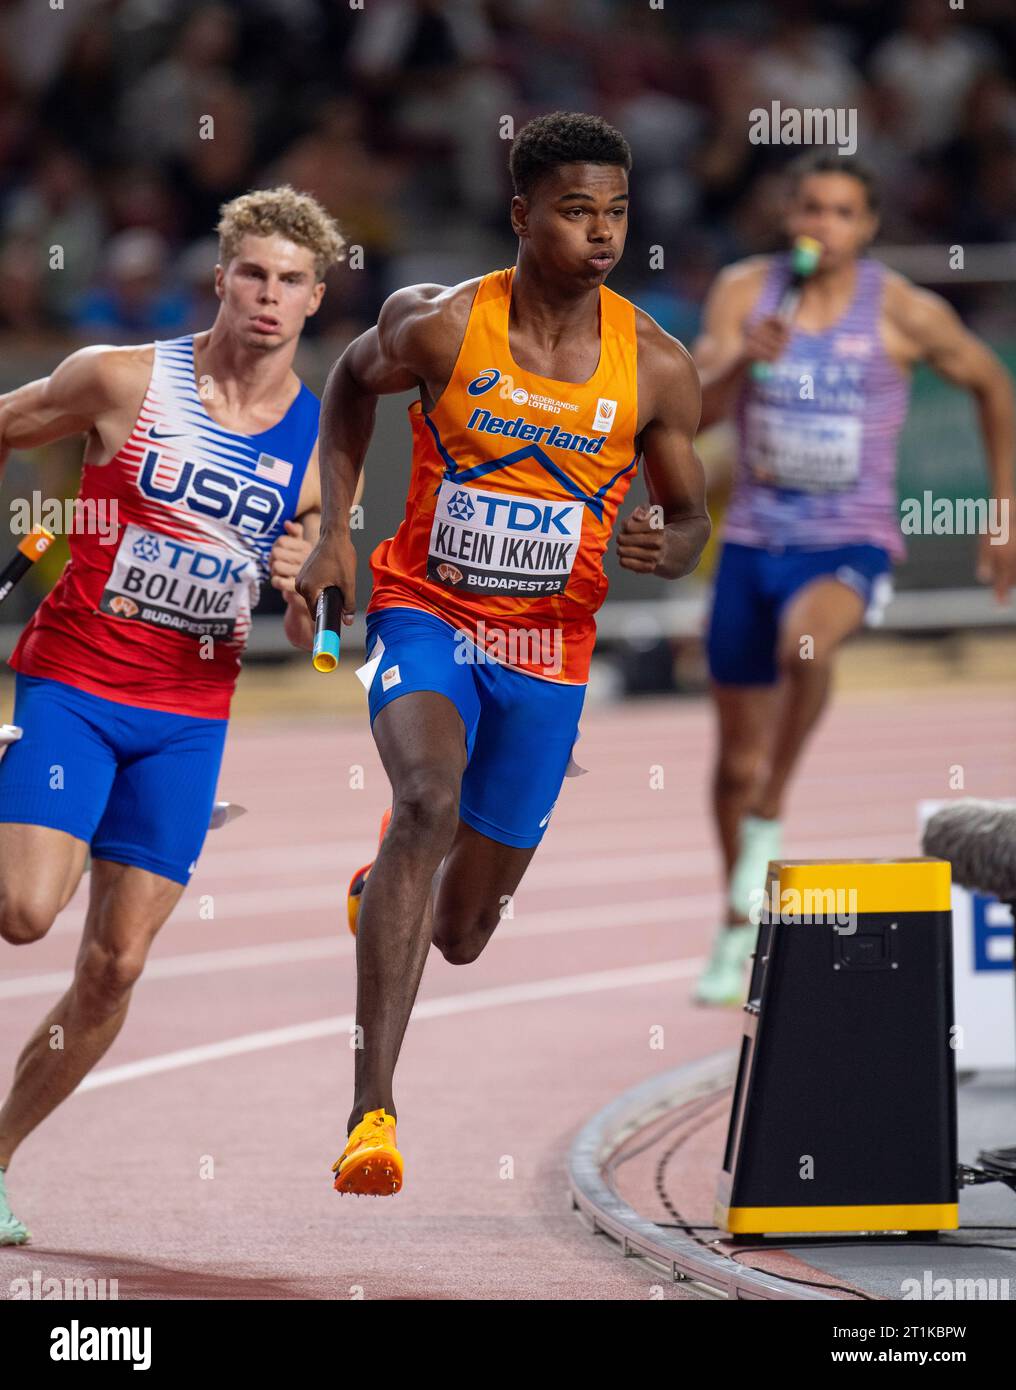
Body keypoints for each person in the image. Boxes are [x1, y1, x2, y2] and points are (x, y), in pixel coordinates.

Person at [296, 111, 710, 1197]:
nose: (602, 232)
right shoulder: (438, 326)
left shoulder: (656, 367)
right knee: (427, 800)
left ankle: (382, 876)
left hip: (547, 647)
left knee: (465, 931)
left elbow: (688, 516)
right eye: (576, 211)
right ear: (522, 214)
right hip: (425, 607)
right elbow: (345, 381)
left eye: (616, 211)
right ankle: (370, 1111)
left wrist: (665, 547)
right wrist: (335, 526)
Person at [0, 186, 349, 1244]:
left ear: (315, 299)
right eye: (254, 273)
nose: (269, 296)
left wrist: (307, 587)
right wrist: (26, 536)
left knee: (115, 966)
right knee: (23, 913)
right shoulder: (122, 377)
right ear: (222, 275)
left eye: (291, 282)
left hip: (189, 719)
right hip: (75, 680)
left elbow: (322, 635)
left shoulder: (319, 432)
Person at [691, 152, 1016, 1005]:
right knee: (730, 762)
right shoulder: (745, 292)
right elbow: (693, 407)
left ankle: (776, 799)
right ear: (787, 216)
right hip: (754, 542)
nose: (821, 226)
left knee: (808, 646)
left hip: (849, 541)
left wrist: (1003, 512)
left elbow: (993, 384)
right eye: (808, 209)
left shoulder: (903, 310)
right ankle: (736, 929)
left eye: (840, 212)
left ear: (867, 227)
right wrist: (736, 364)